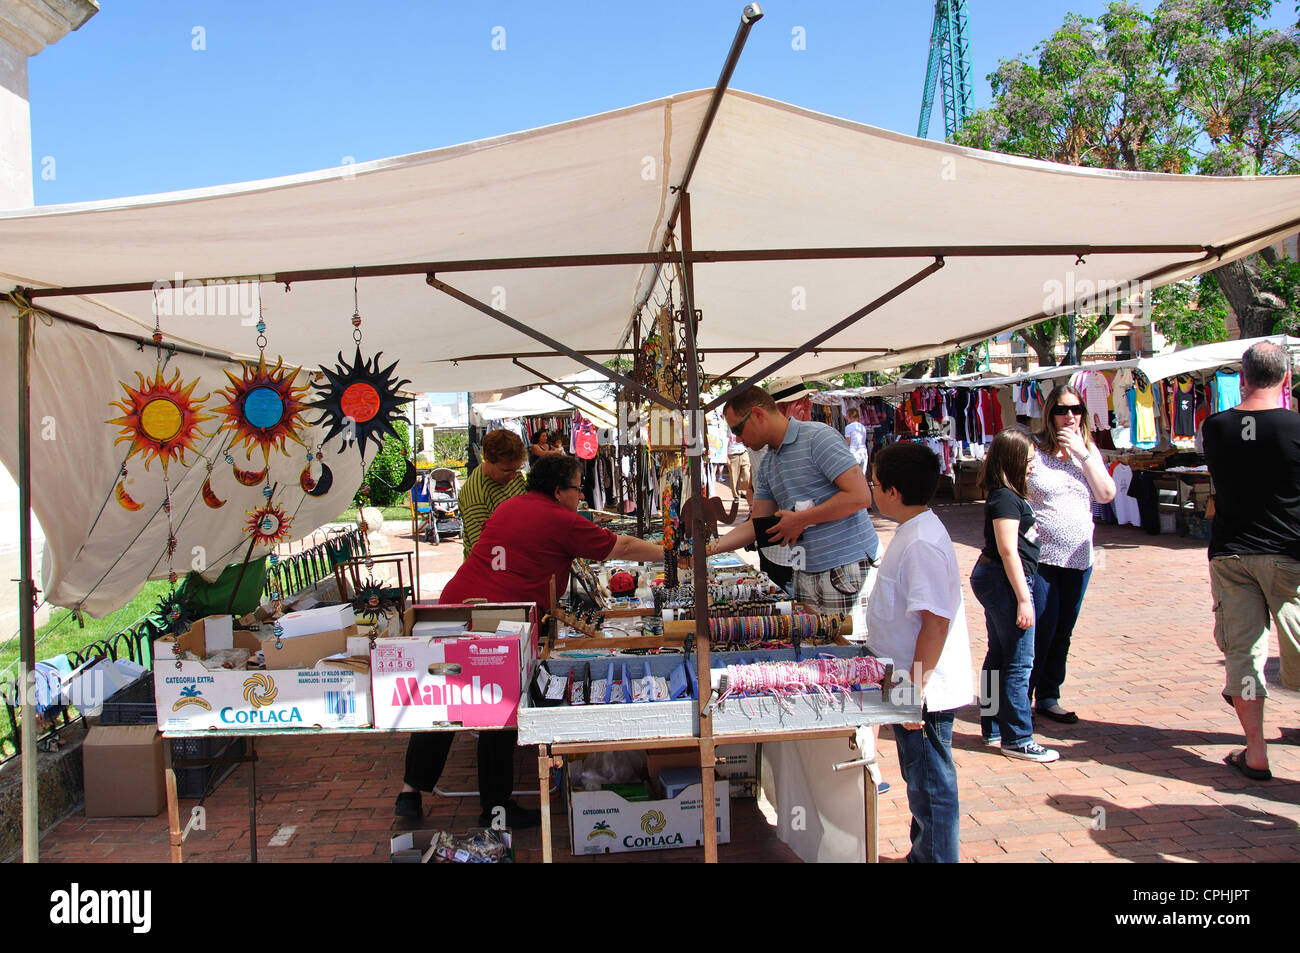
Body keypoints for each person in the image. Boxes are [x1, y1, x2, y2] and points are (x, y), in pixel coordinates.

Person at [395, 457, 664, 825]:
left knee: (446, 698)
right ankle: (495, 808)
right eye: (577, 488)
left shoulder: (511, 506)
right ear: (558, 491)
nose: (581, 494)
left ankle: (410, 793)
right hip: (500, 620)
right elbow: (626, 548)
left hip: (456, 606)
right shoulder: (561, 519)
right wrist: (677, 554)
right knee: (499, 709)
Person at [865, 442, 973, 863]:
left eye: (874, 483)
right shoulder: (914, 531)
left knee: (932, 784)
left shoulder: (921, 542)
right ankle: (924, 853)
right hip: (911, 681)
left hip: (923, 688)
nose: (871, 490)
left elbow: (935, 623)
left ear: (893, 490)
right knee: (921, 781)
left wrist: (913, 691)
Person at [1202, 341, 1300, 782]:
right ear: (1287, 379)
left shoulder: (1217, 427)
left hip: (1233, 553)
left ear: (1241, 378)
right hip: (1288, 553)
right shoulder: (1295, 427)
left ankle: (1255, 750)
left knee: (1243, 655)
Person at [707, 387, 878, 630]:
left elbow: (860, 496)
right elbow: (757, 525)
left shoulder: (818, 437)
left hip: (843, 567)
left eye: (737, 429)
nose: (737, 439)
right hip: (804, 571)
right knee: (813, 651)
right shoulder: (768, 463)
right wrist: (708, 549)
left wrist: (801, 519)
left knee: (845, 653)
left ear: (757, 414)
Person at [1026, 383, 1116, 724]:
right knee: (1041, 629)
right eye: (1062, 410)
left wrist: (1083, 453)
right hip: (1043, 557)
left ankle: (1049, 695)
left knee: (1063, 630)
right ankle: (1023, 696)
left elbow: (1106, 494)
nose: (1069, 417)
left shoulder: (1088, 450)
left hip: (1079, 558)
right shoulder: (1034, 449)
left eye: (1076, 410)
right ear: (1049, 414)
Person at [971, 429, 1059, 762]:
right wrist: (1024, 598)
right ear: (1013, 460)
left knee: (998, 655)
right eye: (1030, 461)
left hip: (1000, 578)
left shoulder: (1005, 494)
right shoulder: (1005, 498)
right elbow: (1008, 550)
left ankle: (993, 726)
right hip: (1007, 581)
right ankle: (1018, 736)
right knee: (1018, 661)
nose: (1034, 467)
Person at [457, 429, 527, 561]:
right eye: (506, 471)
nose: (513, 476)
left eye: (516, 469)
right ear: (487, 459)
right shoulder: (476, 498)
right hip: (494, 569)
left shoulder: (514, 473)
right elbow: (486, 553)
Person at [844, 407, 869, 474]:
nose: (846, 417)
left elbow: (848, 442)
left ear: (850, 416)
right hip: (863, 452)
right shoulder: (862, 427)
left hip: (854, 452)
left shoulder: (848, 427)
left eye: (847, 415)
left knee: (854, 475)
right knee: (863, 475)